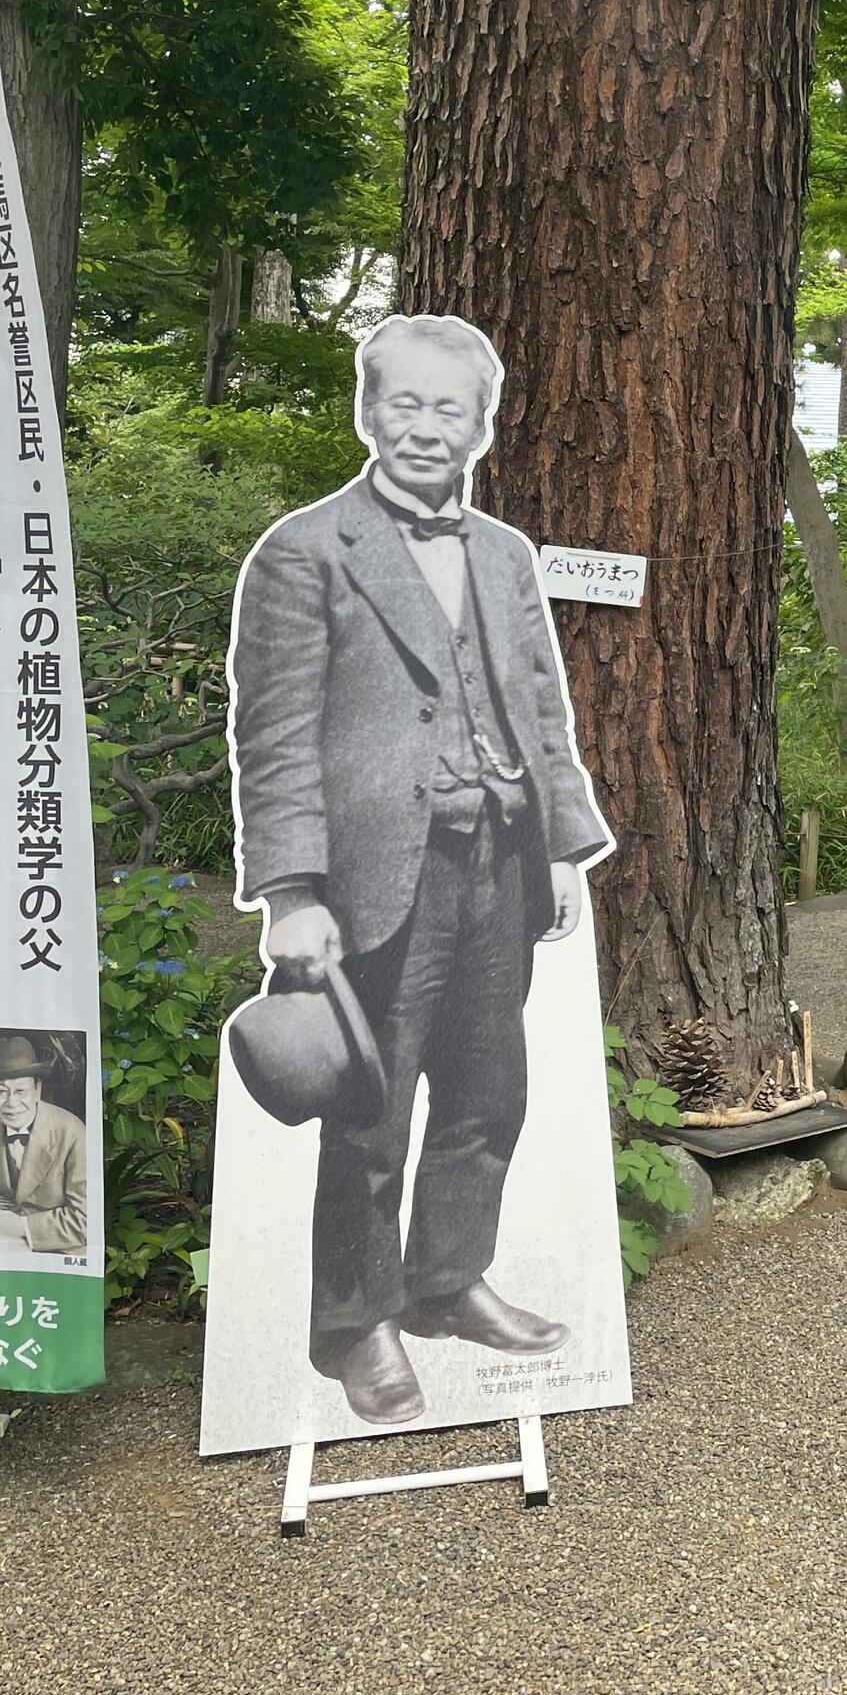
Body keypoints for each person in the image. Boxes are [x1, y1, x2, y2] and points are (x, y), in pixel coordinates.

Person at [228, 314, 612, 1427]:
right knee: (368, 1113)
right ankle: (357, 1324)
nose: (425, 428)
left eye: (450, 408)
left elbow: (539, 709)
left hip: (500, 865)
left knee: (490, 1092)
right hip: (373, 881)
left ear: (481, 427)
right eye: (404, 402)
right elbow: (277, 736)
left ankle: (446, 1284)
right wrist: (293, 893)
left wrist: (561, 847)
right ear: (367, 411)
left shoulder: (504, 553)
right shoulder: (303, 551)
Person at [0, 1033, 87, 1254]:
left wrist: (21, 1226)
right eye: (1, 1092)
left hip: (57, 1253)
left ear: (37, 1089)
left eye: (20, 1091)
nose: (11, 1103)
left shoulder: (72, 1132)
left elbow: (86, 1221)